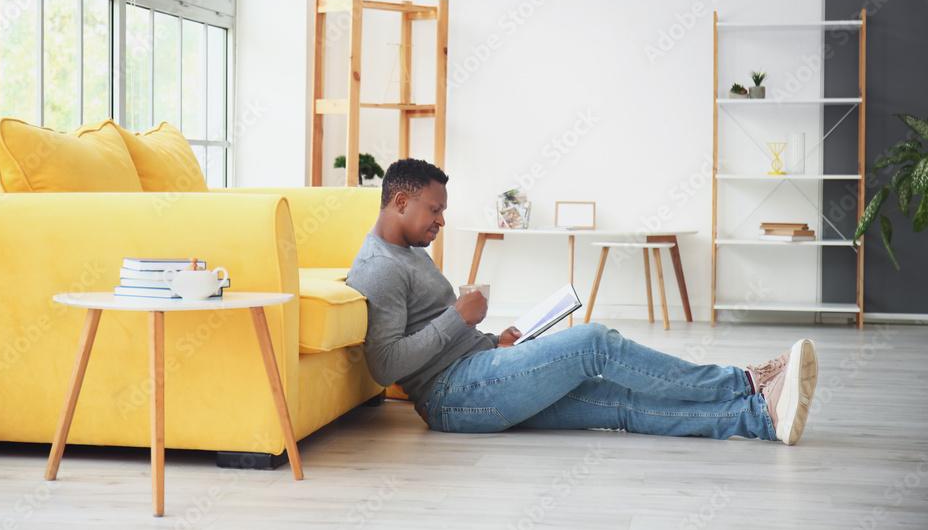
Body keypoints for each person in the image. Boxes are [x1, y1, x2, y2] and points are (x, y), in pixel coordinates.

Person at [346, 158, 819, 445]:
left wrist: (493, 341)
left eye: (443, 211)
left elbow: (435, 337)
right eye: (435, 210)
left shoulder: (406, 252)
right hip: (453, 396)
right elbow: (384, 366)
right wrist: (456, 318)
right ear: (401, 201)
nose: (441, 221)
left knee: (618, 403)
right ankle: (743, 382)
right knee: (593, 342)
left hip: (478, 374)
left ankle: (759, 418)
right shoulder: (380, 266)